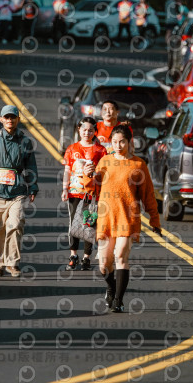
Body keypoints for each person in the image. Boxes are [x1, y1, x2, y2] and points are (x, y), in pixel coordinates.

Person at [86, 125, 161, 312]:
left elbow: (148, 195)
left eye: (122, 142)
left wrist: (154, 220)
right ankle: (111, 287)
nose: (118, 146)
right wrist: (87, 176)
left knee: (120, 256)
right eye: (114, 142)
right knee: (104, 264)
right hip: (106, 217)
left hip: (128, 218)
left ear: (129, 142)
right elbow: (93, 188)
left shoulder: (138, 165)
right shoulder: (105, 161)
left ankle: (118, 300)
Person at [0, 105, 38, 278]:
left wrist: (33, 186)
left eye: (13, 117)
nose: (10, 120)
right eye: (7, 117)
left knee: (15, 225)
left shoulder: (25, 141)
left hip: (17, 192)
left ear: (18, 119)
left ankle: (12, 263)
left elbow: (31, 167)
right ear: (1, 119)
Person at [62, 117, 107, 271]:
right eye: (84, 129)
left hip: (92, 193)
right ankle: (73, 255)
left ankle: (86, 257)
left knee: (89, 224)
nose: (87, 133)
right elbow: (67, 170)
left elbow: (104, 171)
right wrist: (64, 189)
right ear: (79, 130)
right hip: (74, 192)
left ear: (95, 132)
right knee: (73, 223)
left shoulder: (100, 150)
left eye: (90, 130)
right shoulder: (71, 148)